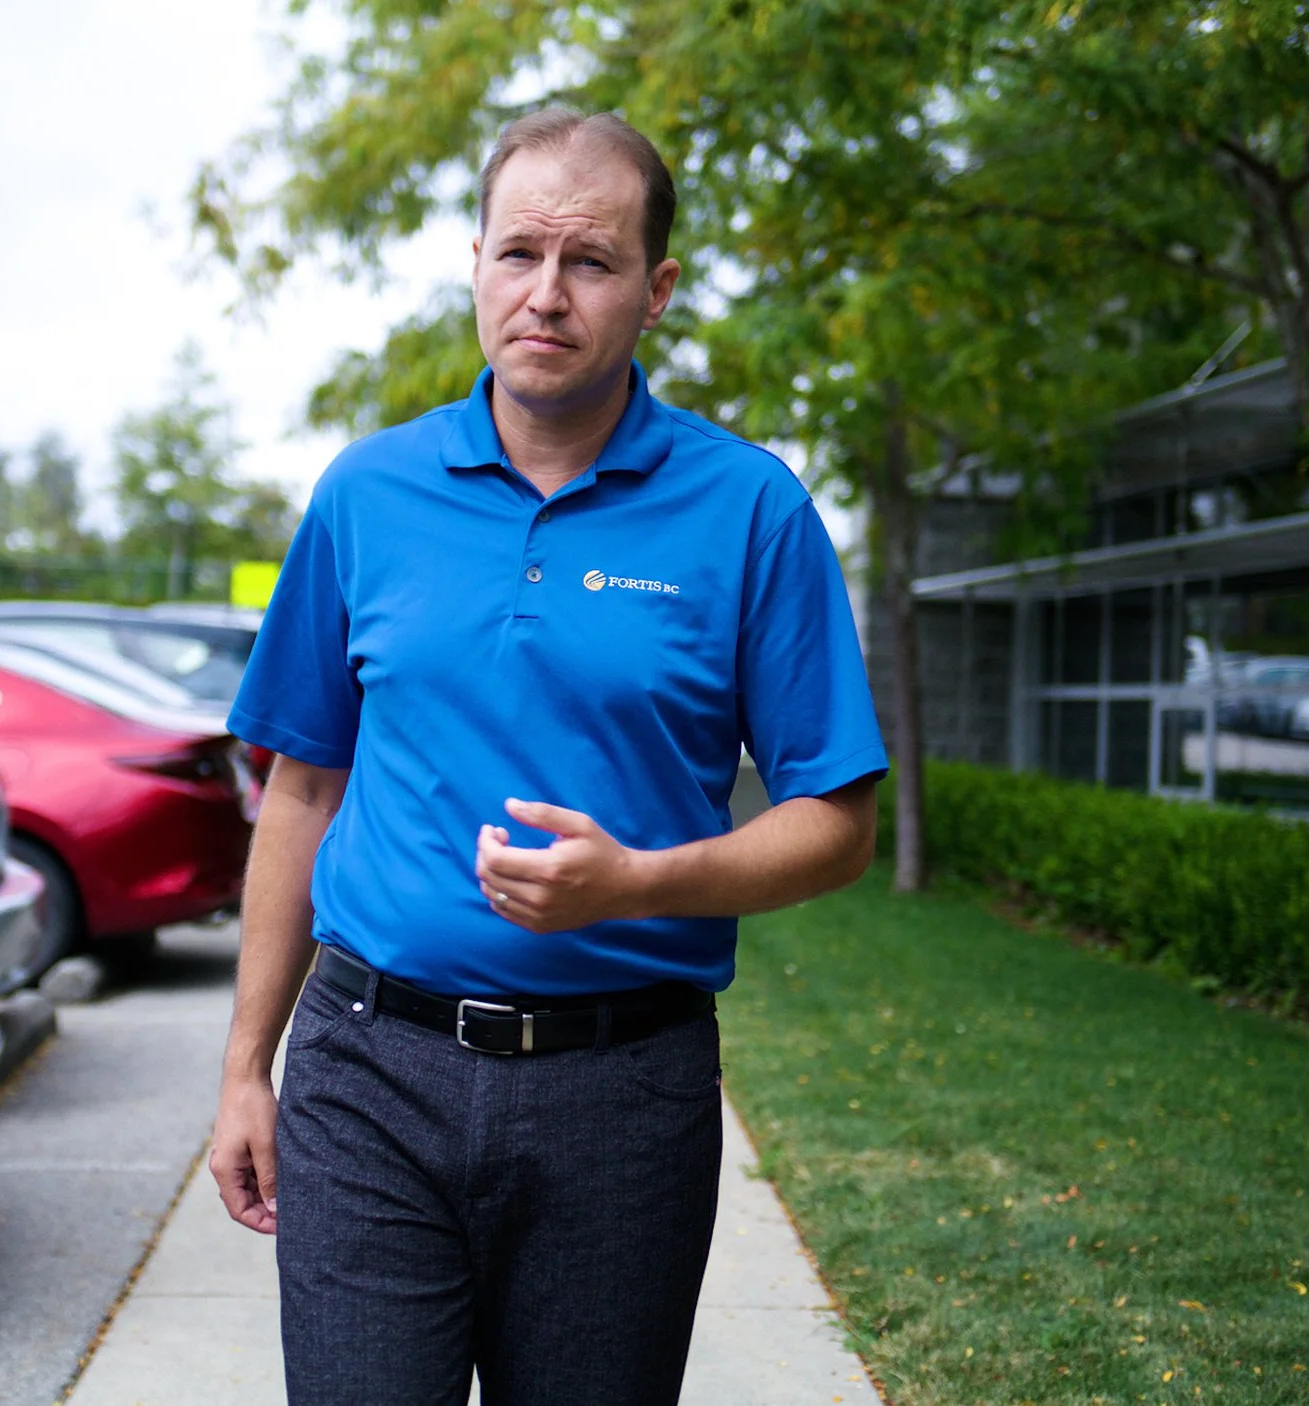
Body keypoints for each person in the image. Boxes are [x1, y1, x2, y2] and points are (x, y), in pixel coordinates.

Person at [207, 107, 887, 1405]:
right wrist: (248, 1065)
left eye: (591, 261)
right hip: (368, 1073)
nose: (547, 294)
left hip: (623, 1097)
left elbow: (839, 822)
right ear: (475, 262)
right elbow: (302, 785)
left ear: (656, 287)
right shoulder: (368, 494)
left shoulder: (751, 510)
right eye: (518, 253)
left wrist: (635, 882)